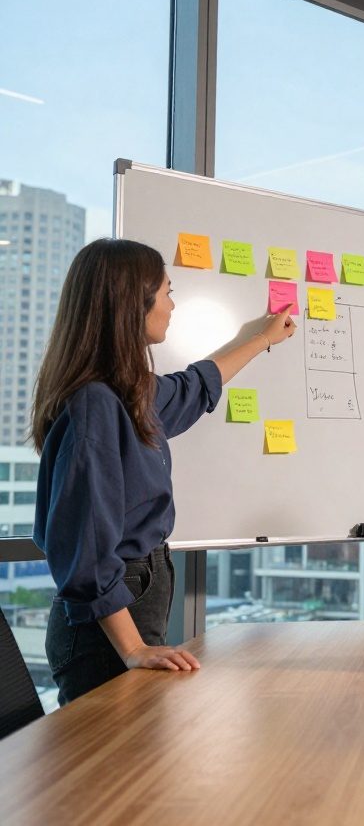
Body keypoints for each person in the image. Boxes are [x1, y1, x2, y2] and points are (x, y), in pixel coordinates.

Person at [32, 238, 296, 704]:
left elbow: (196, 387)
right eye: (168, 291)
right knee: (107, 766)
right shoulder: (96, 404)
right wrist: (133, 648)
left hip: (136, 596)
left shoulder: (129, 393)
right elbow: (86, 552)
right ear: (134, 302)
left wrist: (262, 339)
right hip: (108, 625)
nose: (173, 305)